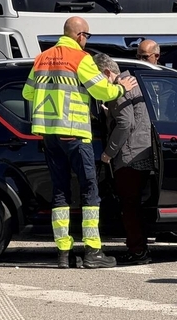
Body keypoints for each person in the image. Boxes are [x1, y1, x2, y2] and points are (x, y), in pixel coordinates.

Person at [23, 16, 138, 269]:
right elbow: (102, 91)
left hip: (49, 135)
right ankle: (92, 252)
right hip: (75, 134)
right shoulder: (80, 59)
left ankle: (63, 253)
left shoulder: (42, 58)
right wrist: (122, 89)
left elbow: (27, 93)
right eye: (87, 36)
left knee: (60, 192)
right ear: (80, 35)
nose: (87, 41)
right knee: (89, 192)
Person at [93, 54, 155, 265]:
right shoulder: (135, 83)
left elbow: (125, 123)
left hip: (129, 156)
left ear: (107, 73)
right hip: (142, 151)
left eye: (98, 78)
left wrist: (108, 153)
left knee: (129, 207)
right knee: (135, 205)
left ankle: (138, 252)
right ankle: (139, 249)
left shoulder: (120, 88)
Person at [134, 41, 177, 244]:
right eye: (138, 56)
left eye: (144, 57)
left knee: (163, 187)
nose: (140, 61)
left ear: (157, 56)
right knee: (143, 190)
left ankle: (164, 228)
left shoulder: (166, 82)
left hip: (164, 142)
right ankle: (143, 229)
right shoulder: (134, 80)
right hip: (141, 143)